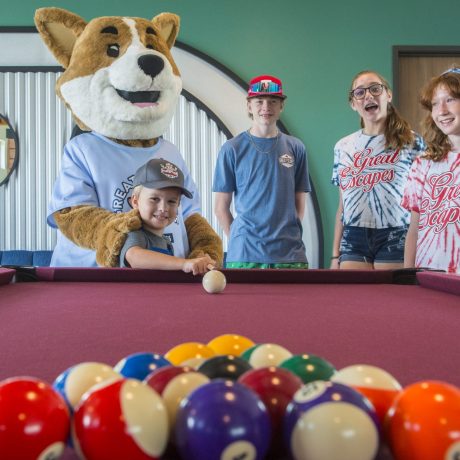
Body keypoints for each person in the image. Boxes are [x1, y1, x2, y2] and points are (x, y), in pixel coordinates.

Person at [213, 74, 310, 269]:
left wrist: (287, 232)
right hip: (244, 254)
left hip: (289, 254)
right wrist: (239, 239)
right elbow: (220, 207)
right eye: (259, 101)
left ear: (281, 106)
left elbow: (299, 202)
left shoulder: (296, 147)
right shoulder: (231, 149)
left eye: (273, 101)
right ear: (249, 106)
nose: (266, 107)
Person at [331, 70, 425, 270]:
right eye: (360, 92)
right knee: (353, 300)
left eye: (375, 89)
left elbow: (423, 202)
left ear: (388, 95)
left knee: (392, 300)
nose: (368, 95)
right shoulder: (343, 146)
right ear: (353, 103)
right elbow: (342, 206)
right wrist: (334, 256)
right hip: (353, 235)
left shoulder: (413, 141)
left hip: (397, 233)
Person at [402, 67, 460, 273]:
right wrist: (407, 277)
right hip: (428, 277)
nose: (441, 110)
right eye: (435, 103)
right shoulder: (422, 163)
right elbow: (414, 229)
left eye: (450, 99)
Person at [120, 158, 215, 274]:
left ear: (178, 205)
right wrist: (184, 263)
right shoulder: (135, 234)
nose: (163, 208)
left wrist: (198, 262)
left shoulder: (167, 243)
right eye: (154, 199)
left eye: (171, 201)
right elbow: (134, 256)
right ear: (135, 201)